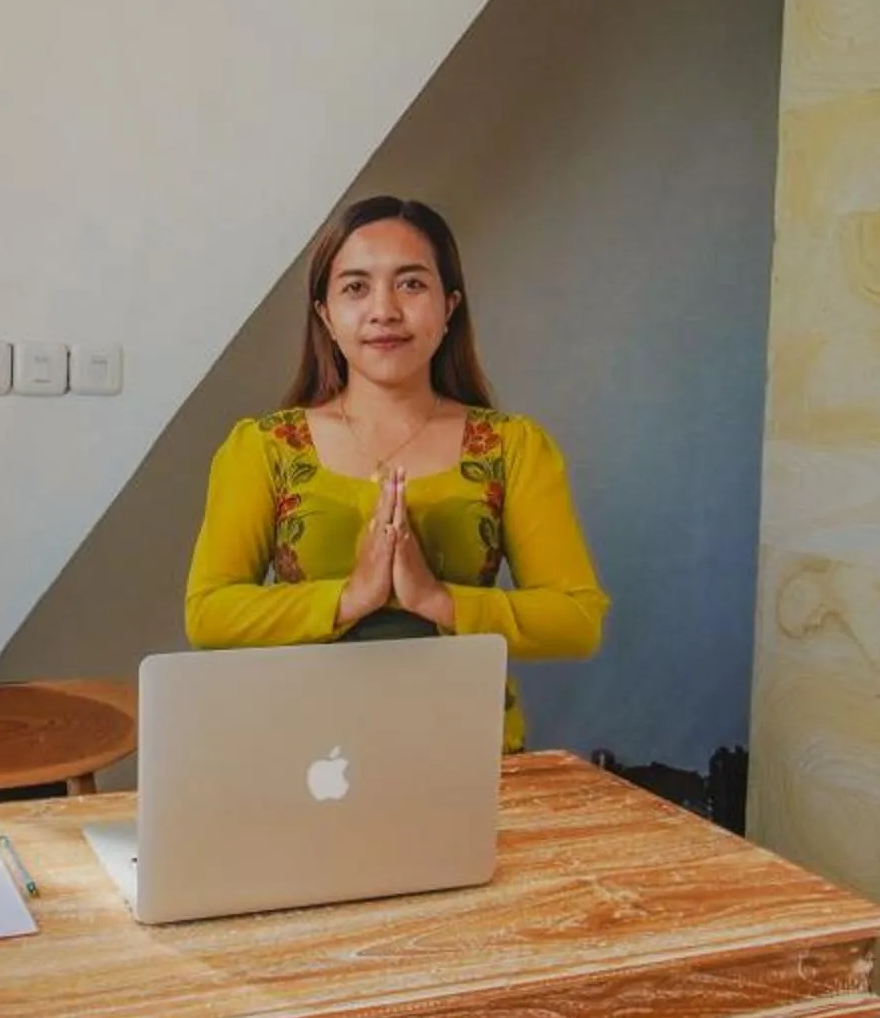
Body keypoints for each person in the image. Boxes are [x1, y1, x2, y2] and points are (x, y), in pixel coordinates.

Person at [184, 195, 608, 753]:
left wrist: (435, 599)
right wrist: (351, 597)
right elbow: (209, 613)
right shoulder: (264, 448)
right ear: (325, 314)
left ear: (449, 306)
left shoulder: (513, 447)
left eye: (411, 284)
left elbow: (577, 619)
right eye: (356, 287)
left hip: (470, 752)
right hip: (307, 756)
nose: (384, 310)